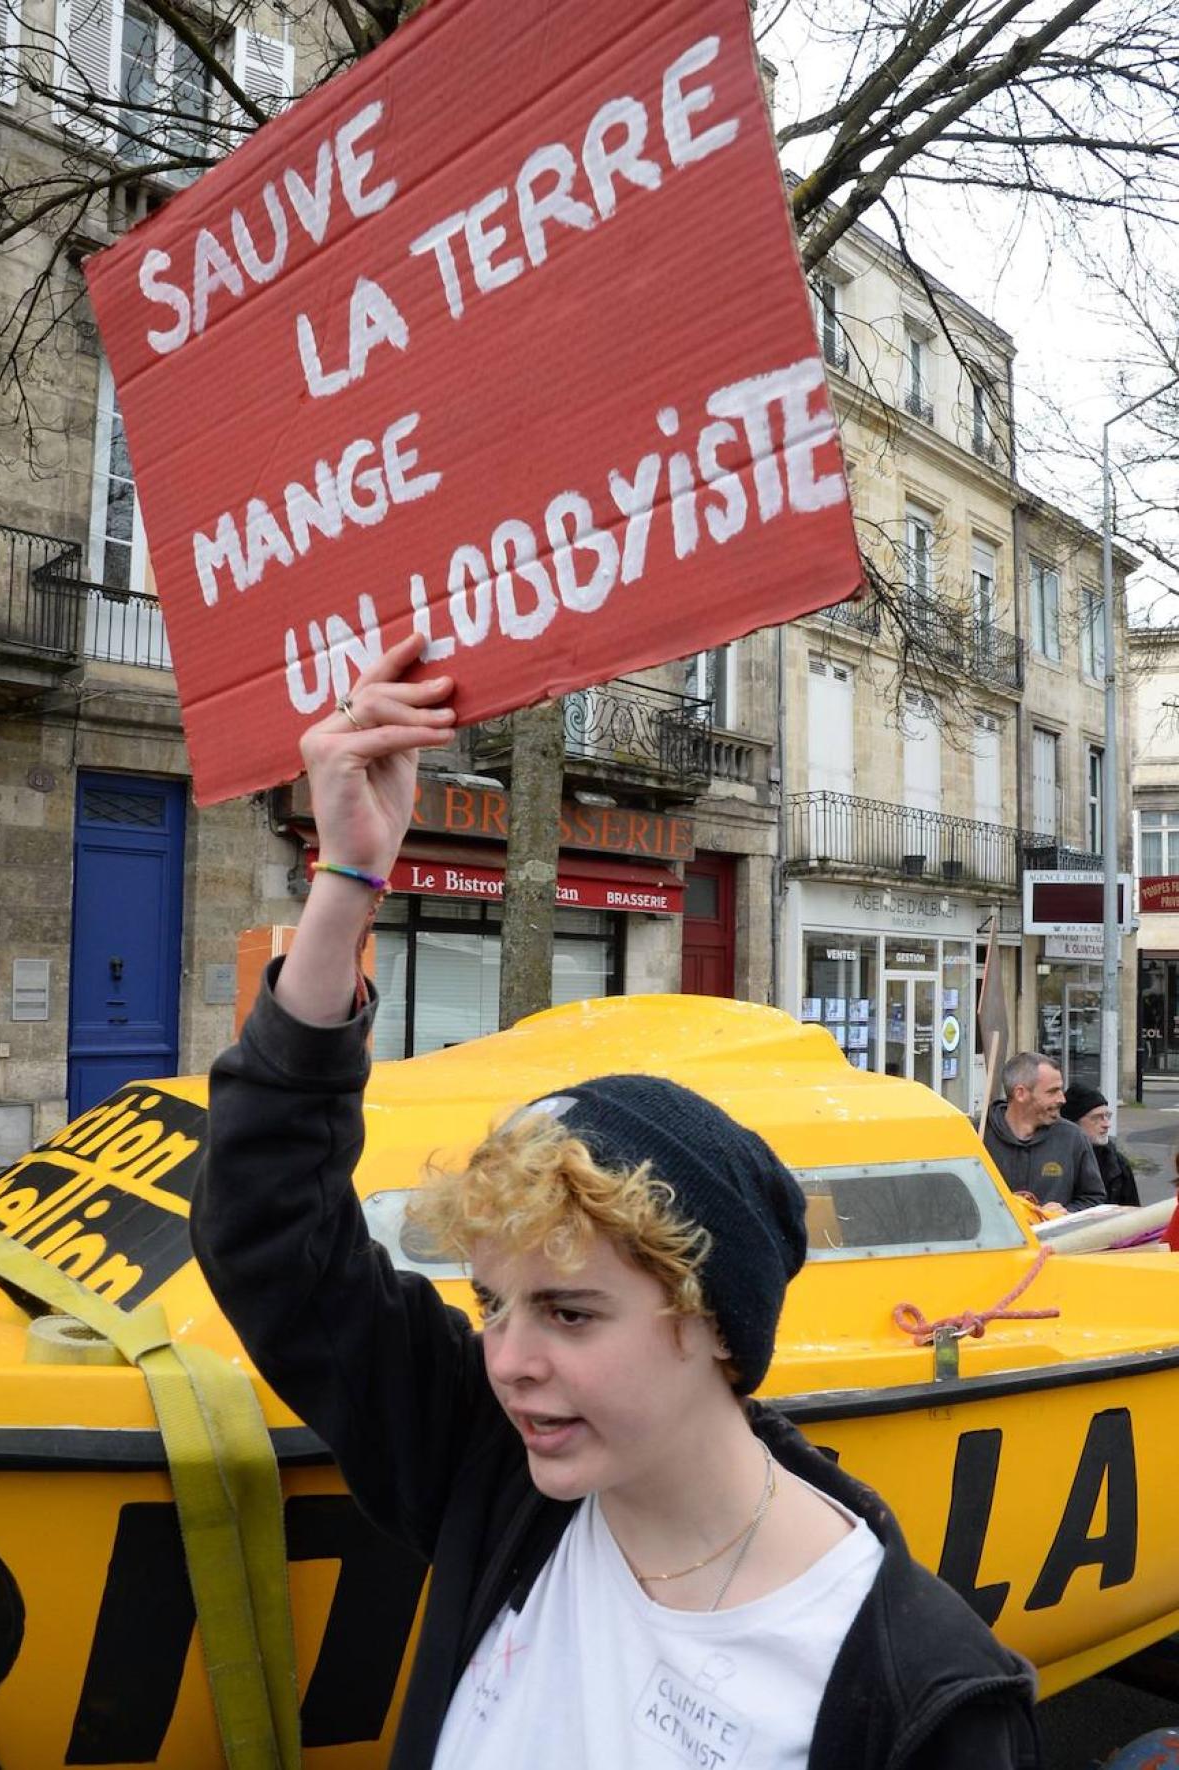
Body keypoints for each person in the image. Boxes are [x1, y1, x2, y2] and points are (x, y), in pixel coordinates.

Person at [191, 636, 1040, 1770]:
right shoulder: (502, 1480)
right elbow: (268, 1228)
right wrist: (348, 877)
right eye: (495, 1306)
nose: (510, 1361)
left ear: (715, 1323)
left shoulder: (922, 1696)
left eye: (571, 1311)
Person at [982, 1051, 1106, 1210]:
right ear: (1020, 1094)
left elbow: (1094, 1198)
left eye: (1061, 1090)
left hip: (1055, 1236)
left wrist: (1067, 1212)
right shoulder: (976, 1136)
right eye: (1052, 1091)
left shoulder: (1072, 1138)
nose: (1062, 1099)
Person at [1059, 1083, 1140, 1208]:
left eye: (1107, 1116)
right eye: (1096, 1118)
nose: (1106, 1124)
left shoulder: (1117, 1163)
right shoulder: (1055, 1160)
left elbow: (1133, 1213)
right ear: (1073, 1123)